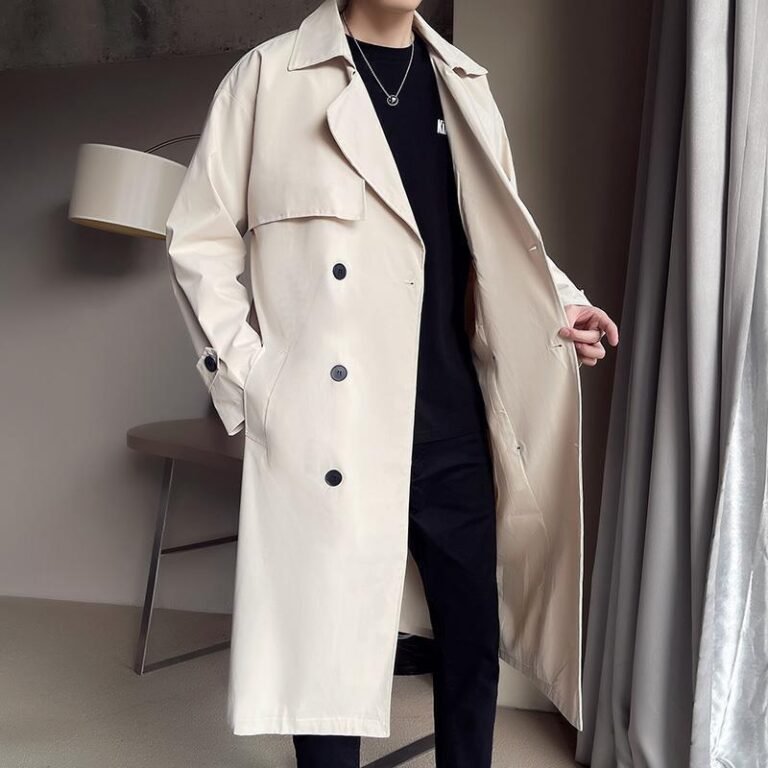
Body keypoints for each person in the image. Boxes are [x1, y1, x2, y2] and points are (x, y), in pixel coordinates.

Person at [165, 1, 619, 767]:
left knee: (471, 642)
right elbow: (197, 238)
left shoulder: (463, 84)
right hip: (331, 425)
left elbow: (499, 239)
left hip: (451, 418)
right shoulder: (269, 78)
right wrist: (252, 382)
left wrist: (562, 302)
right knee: (329, 648)